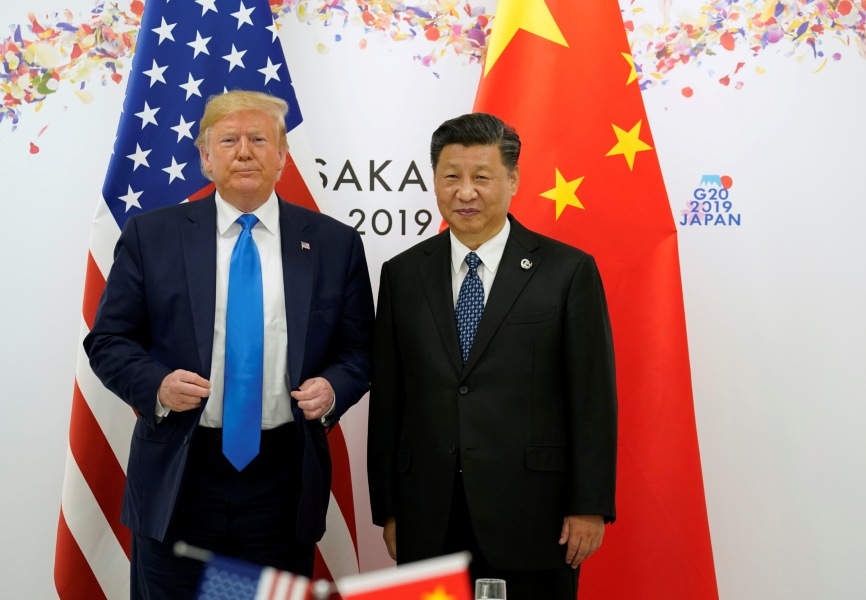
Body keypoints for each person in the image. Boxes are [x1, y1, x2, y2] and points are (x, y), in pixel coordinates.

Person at [84, 90, 374, 599]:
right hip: (181, 474)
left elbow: (359, 350)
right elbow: (108, 339)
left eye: (260, 139)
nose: (245, 151)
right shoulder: (152, 236)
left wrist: (333, 388)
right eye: (229, 140)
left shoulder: (333, 244)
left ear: (283, 157)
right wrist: (156, 384)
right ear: (205, 157)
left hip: (280, 484)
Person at [366, 112, 617, 599]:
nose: (465, 192)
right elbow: (389, 402)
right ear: (435, 180)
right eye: (451, 177)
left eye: (481, 177)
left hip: (535, 515)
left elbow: (592, 399)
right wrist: (391, 509)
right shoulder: (401, 275)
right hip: (429, 515)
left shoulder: (567, 271)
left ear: (514, 179)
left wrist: (589, 505)